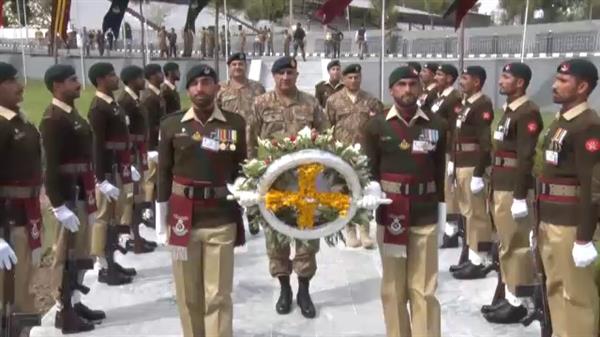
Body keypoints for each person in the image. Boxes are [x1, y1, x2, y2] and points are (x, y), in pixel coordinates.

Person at [155, 64, 246, 337]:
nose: (200, 88)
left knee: (218, 294)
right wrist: (161, 221)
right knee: (188, 295)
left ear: (217, 87)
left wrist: (247, 208)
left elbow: (242, 169)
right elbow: (163, 173)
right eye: (194, 84)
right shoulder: (171, 124)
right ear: (187, 90)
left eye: (206, 82)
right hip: (182, 219)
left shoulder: (234, 123)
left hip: (221, 217)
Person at [364, 65, 445, 337]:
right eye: (402, 85)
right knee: (393, 287)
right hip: (392, 214)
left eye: (412, 84)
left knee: (424, 288)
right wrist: (373, 188)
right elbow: (368, 167)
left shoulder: (436, 124)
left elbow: (440, 169)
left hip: (425, 212)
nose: (408, 90)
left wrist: (442, 209)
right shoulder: (376, 125)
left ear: (420, 87)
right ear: (391, 90)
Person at [248, 56, 329, 318]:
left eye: (290, 73)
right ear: (274, 76)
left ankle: (304, 290)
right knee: (276, 240)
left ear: (296, 74)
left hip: (306, 185)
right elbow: (250, 142)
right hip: (275, 186)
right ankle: (285, 289)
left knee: (307, 239)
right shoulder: (261, 104)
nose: (286, 78)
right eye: (281, 73)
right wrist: (251, 178)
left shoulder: (310, 103)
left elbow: (326, 136)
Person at [537, 58, 600, 336]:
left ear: (583, 87)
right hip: (549, 217)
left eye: (564, 81)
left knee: (576, 297)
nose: (555, 85)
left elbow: (593, 185)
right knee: (555, 288)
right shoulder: (563, 120)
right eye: (557, 79)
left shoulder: (587, 124)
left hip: (570, 223)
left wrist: (584, 236)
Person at [41, 64, 105, 333]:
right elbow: (50, 166)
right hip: (67, 195)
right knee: (64, 256)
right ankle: (62, 310)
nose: (78, 84)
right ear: (57, 86)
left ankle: (74, 301)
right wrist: (57, 205)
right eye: (71, 80)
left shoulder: (72, 115)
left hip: (81, 189)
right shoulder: (53, 119)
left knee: (79, 253)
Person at [483, 62, 543, 323]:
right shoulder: (509, 112)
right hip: (501, 184)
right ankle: (509, 295)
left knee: (516, 244)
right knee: (506, 243)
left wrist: (520, 195)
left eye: (506, 77)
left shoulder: (527, 112)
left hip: (513, 188)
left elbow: (526, 157)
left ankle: (520, 301)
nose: (500, 81)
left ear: (520, 83)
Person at [87, 62, 138, 285]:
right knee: (103, 218)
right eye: (111, 75)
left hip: (118, 166)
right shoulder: (98, 107)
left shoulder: (112, 104)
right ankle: (104, 266)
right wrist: (100, 178)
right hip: (107, 170)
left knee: (114, 218)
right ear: (100, 80)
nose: (116, 78)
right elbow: (97, 146)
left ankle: (111, 259)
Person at [0, 63, 42, 325]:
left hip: (28, 213)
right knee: (6, 292)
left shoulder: (19, 120)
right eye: (12, 81)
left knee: (24, 284)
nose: (20, 86)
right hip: (9, 220)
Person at [325, 64, 383, 249]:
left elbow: (380, 125)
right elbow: (328, 127)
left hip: (364, 154)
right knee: (345, 192)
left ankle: (364, 230)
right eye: (350, 77)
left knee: (365, 191)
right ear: (343, 79)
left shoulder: (371, 100)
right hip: (342, 154)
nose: (354, 80)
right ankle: (349, 230)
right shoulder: (333, 101)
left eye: (357, 77)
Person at [449, 66, 495, 280]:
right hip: (461, 163)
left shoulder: (482, 104)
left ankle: (481, 258)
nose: (461, 81)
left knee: (477, 214)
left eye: (465, 78)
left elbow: (485, 144)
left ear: (477, 82)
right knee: (467, 212)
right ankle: (472, 254)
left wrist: (478, 172)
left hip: (471, 165)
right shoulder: (467, 104)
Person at [117, 65, 157, 254]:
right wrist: (130, 160)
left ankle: (137, 236)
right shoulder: (124, 101)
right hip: (131, 155)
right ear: (131, 80)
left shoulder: (136, 99)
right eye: (141, 78)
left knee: (139, 197)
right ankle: (130, 238)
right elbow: (124, 133)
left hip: (140, 152)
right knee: (131, 199)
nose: (144, 81)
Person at [431, 64, 463, 250]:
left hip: (446, 150)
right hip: (436, 148)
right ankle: (445, 227)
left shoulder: (454, 98)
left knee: (449, 192)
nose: (436, 77)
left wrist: (452, 156)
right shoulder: (439, 97)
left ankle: (451, 231)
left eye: (440, 74)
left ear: (450, 79)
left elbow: (455, 129)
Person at [141, 64, 166, 219]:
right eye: (158, 73)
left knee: (157, 177)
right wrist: (150, 148)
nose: (162, 76)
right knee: (150, 178)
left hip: (159, 141)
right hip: (153, 144)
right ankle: (147, 210)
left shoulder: (157, 94)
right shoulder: (149, 97)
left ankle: (153, 208)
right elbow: (149, 125)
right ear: (151, 77)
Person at [216, 52, 265, 130]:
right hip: (228, 134)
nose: (237, 67)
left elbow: (264, 113)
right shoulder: (219, 88)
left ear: (246, 66)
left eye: (240, 64)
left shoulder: (258, 88)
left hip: (252, 134)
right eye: (234, 64)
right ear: (229, 68)